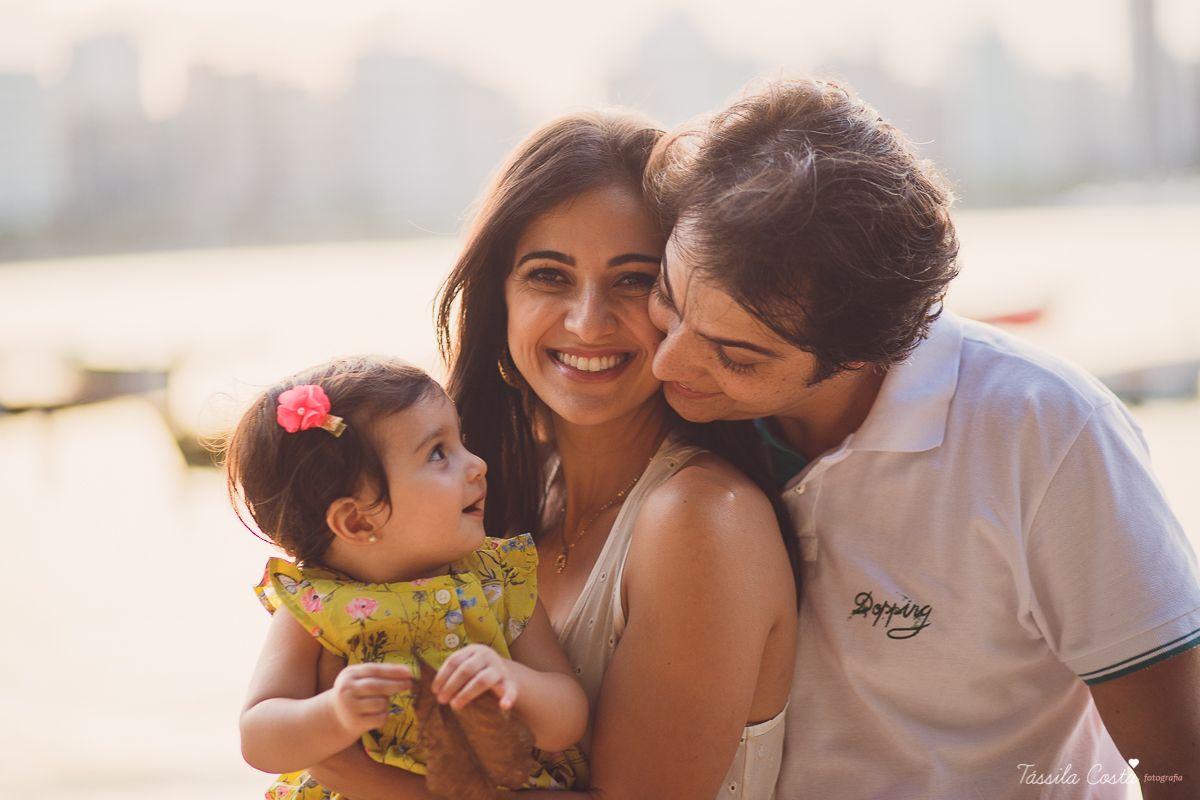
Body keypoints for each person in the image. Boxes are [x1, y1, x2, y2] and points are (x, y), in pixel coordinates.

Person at [647, 76, 1200, 799]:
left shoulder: (1048, 433)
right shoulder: (669, 413)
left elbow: (1178, 767)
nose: (668, 362)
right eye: (667, 295)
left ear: (862, 351)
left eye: (738, 356)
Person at [306, 111, 801, 800]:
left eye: (633, 280)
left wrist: (348, 770)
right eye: (548, 275)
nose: (587, 321)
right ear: (498, 299)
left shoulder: (702, 519)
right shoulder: (495, 498)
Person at [228, 356, 589, 799]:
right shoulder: (316, 604)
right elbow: (260, 738)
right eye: (439, 453)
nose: (477, 464)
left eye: (461, 442)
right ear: (358, 522)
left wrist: (513, 681)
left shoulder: (500, 580)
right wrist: (334, 714)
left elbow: (567, 723)